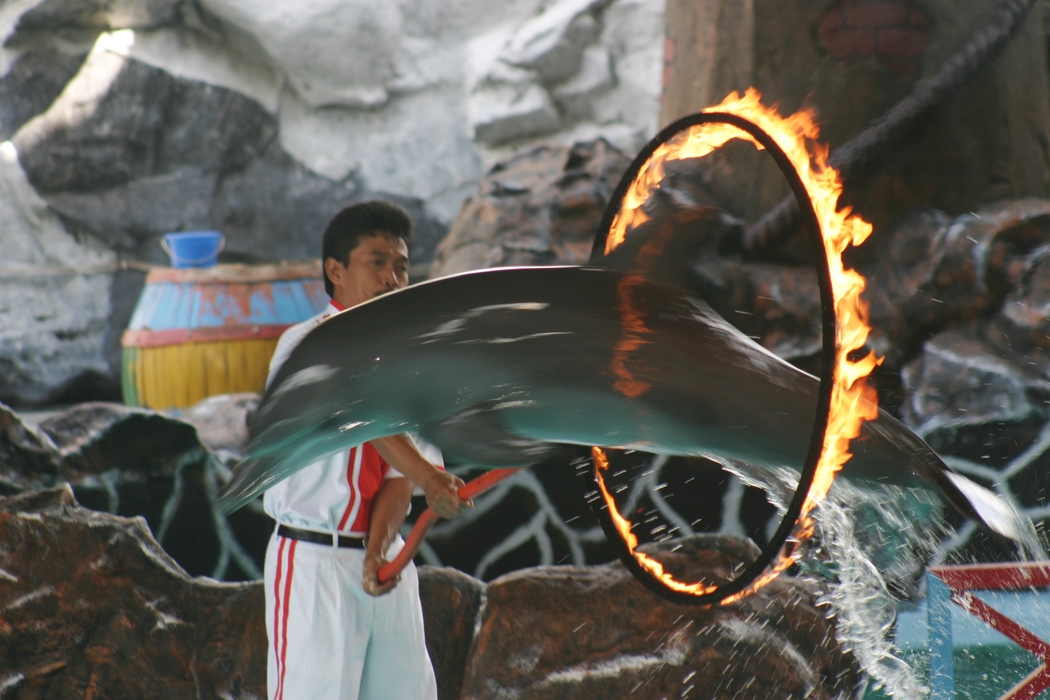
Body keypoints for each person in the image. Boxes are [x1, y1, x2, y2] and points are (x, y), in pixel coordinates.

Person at [263, 200, 469, 700]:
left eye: (401, 265)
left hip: (386, 563)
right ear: (335, 270)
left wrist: (378, 552)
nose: (392, 278)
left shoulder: (410, 362)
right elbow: (359, 418)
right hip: (313, 561)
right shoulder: (305, 345)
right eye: (376, 262)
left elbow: (398, 484)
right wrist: (429, 475)